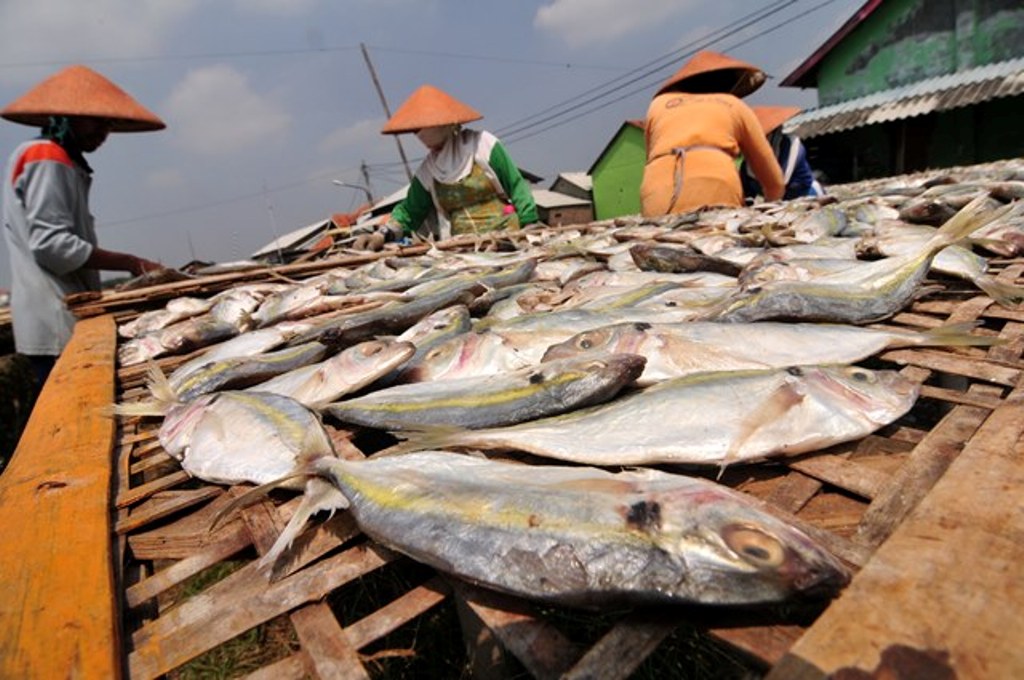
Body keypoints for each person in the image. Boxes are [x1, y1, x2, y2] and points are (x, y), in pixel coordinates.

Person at [2, 64, 165, 386]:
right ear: (66, 118)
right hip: (55, 317)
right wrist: (129, 262)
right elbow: (53, 246)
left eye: (108, 124)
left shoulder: (58, 159)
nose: (104, 133)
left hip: (61, 315)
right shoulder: (46, 156)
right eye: (96, 121)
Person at [358, 84, 539, 250]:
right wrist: (381, 234)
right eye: (432, 147)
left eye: (438, 145)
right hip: (463, 247)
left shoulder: (483, 145)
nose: (434, 150)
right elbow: (410, 211)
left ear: (447, 127)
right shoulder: (429, 170)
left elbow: (516, 186)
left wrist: (529, 223)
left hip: (506, 240)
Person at [640, 50, 785, 216]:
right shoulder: (734, 105)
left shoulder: (658, 105)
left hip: (657, 195)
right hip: (717, 190)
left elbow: (650, 161)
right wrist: (769, 212)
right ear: (731, 84)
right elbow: (774, 182)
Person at [741, 106, 824, 201]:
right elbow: (746, 191)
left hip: (805, 194)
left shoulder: (792, 144)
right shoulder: (749, 159)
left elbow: (780, 183)